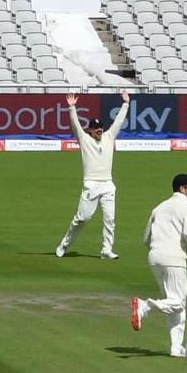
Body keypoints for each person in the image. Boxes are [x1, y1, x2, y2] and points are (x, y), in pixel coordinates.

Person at [131, 173, 187, 357]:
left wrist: (157, 248)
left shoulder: (159, 207)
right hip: (174, 258)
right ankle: (145, 306)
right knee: (178, 302)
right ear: (182, 189)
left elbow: (146, 238)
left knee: (172, 302)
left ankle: (175, 347)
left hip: (154, 256)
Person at [56, 90, 131, 260]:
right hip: (91, 184)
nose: (99, 130)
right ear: (90, 130)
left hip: (108, 184)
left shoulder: (109, 137)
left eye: (100, 127)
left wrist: (125, 104)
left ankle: (106, 250)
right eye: (96, 128)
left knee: (110, 219)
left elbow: (118, 122)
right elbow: (75, 126)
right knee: (82, 219)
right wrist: (72, 108)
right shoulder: (84, 140)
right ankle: (64, 245)